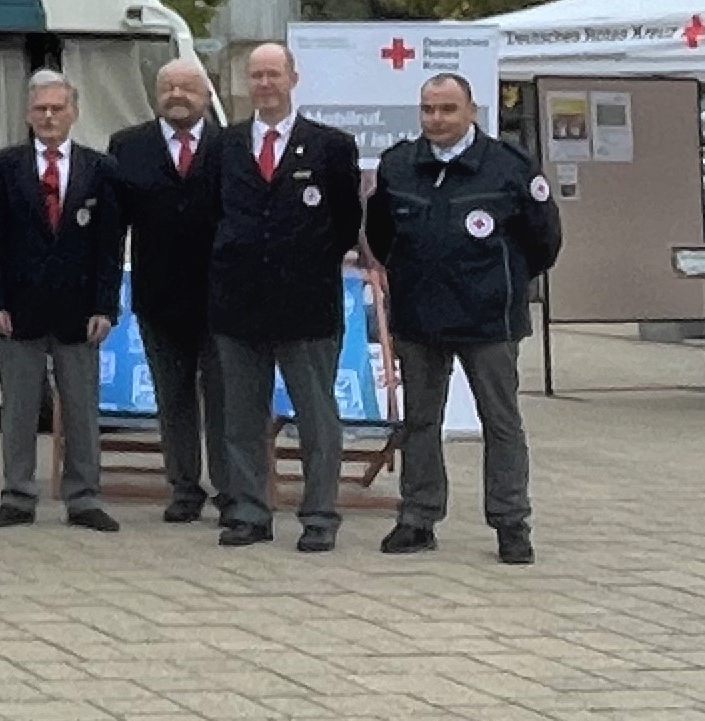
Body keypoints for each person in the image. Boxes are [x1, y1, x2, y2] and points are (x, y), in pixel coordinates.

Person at [364, 72, 558, 566]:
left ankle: (511, 522)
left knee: (501, 422)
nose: (437, 119)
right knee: (420, 421)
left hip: (489, 319)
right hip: (420, 316)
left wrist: (500, 283)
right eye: (428, 109)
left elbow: (544, 242)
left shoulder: (509, 167)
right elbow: (382, 235)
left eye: (448, 109)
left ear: (472, 111)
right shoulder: (399, 165)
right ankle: (418, 517)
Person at [208, 40, 363, 553]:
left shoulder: (330, 146)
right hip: (239, 303)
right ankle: (250, 512)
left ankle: (319, 516)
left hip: (306, 305)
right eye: (257, 76)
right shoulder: (224, 145)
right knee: (242, 418)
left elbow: (345, 224)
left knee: (316, 418)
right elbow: (212, 217)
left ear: (293, 77)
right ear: (246, 84)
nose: (265, 84)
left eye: (274, 74)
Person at [0, 70, 126, 533]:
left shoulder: (100, 170)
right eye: (40, 108)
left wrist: (105, 305)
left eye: (57, 108)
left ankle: (83, 498)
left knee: (81, 408)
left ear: (74, 114)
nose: (48, 116)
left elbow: (109, 246)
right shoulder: (3, 167)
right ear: (27, 114)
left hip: (79, 310)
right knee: (19, 408)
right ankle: (17, 495)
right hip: (17, 307)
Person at [104, 58, 226, 523]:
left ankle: (231, 489)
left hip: (220, 298)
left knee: (223, 400)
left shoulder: (229, 144)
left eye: (187, 88)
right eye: (168, 87)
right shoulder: (128, 146)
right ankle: (184, 488)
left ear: (205, 93)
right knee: (172, 398)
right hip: (158, 296)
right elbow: (114, 227)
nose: (177, 95)